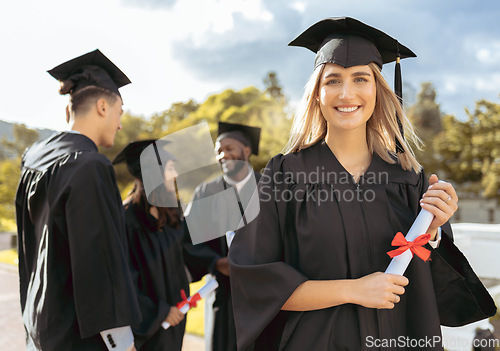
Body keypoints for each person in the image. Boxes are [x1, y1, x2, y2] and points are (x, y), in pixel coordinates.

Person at [228, 17, 497, 351]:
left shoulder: (408, 178)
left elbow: (432, 285)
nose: (347, 93)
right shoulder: (285, 176)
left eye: (360, 79)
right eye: (333, 80)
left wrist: (434, 231)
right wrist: (352, 290)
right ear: (316, 94)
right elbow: (254, 279)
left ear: (378, 90)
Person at [15, 49, 141, 351]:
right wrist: (123, 344)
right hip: (76, 337)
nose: (120, 124)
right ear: (102, 106)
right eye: (119, 112)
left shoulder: (34, 157)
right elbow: (100, 266)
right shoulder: (90, 166)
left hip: (40, 324)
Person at [183, 122, 262, 351]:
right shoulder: (206, 193)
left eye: (230, 148)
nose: (223, 154)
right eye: (218, 150)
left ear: (246, 150)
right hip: (222, 290)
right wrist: (216, 261)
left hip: (261, 288)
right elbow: (188, 238)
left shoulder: (267, 187)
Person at [112, 139, 190, 350]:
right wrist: (161, 311)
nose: (174, 175)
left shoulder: (170, 213)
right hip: (147, 327)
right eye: (170, 169)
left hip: (175, 321)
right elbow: (121, 280)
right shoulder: (126, 219)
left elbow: (182, 258)